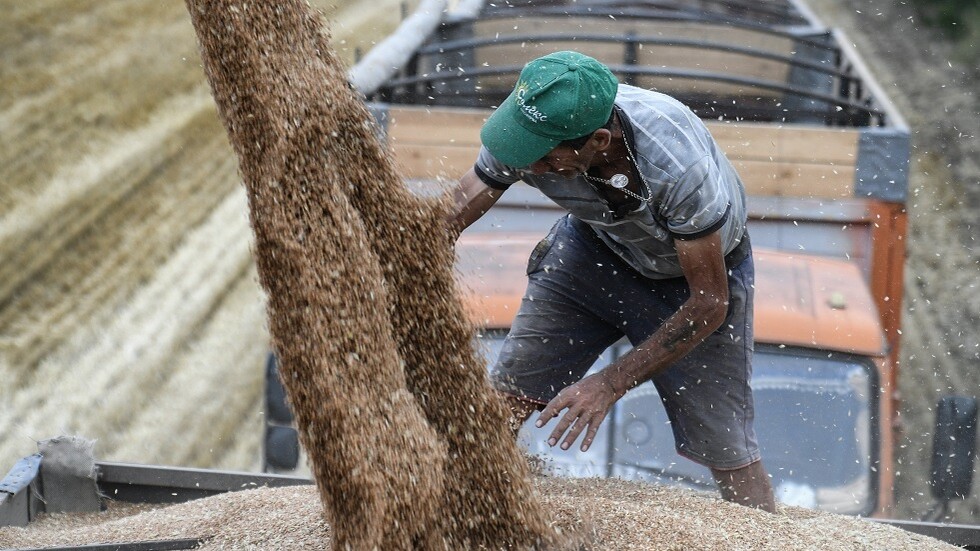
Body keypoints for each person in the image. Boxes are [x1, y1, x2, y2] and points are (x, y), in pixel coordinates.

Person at [447, 50, 775, 512]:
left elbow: (709, 304)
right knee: (501, 403)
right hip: (592, 254)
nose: (526, 163)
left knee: (728, 449)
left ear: (597, 140)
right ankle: (458, 518)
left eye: (542, 157)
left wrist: (609, 383)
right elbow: (459, 203)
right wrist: (416, 252)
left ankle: (766, 535)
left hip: (694, 283)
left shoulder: (678, 166)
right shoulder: (525, 132)